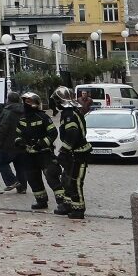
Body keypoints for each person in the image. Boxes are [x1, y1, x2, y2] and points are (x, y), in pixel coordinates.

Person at [15, 91, 61, 212]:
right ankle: (41, 201)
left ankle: (62, 202)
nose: (26, 104)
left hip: (44, 153)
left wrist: (41, 143)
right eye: (25, 101)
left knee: (51, 175)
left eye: (29, 101)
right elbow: (18, 133)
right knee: (33, 178)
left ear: (36, 103)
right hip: (29, 154)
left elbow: (53, 133)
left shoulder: (43, 117)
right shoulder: (23, 118)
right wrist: (19, 141)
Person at [53, 89, 93, 220]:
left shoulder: (69, 113)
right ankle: (68, 205)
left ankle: (78, 209)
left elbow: (72, 133)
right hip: (73, 153)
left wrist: (64, 150)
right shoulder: (72, 111)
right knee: (66, 180)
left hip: (78, 154)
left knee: (75, 182)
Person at [0, 92, 27, 194]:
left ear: (8, 100)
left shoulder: (7, 111)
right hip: (21, 143)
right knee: (20, 165)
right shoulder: (24, 110)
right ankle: (22, 187)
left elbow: (3, 127)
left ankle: (12, 181)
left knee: (1, 162)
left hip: (8, 144)